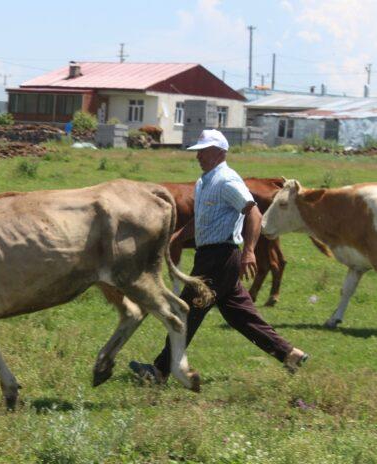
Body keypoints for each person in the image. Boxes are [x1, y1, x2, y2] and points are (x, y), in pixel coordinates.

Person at [129, 129, 308, 384]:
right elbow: (203, 219)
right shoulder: (205, 181)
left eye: (204, 151)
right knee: (242, 316)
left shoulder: (227, 180)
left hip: (220, 258)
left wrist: (249, 252)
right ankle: (290, 354)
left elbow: (253, 214)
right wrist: (179, 236)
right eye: (198, 151)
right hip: (212, 258)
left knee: (185, 312)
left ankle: (158, 372)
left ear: (220, 152)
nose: (199, 156)